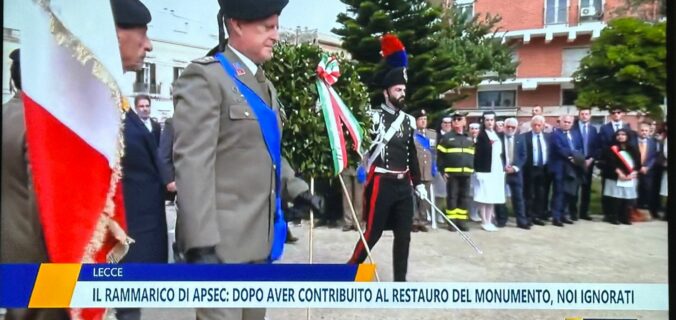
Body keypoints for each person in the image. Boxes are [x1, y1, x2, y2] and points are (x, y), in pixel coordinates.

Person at [171, 0, 316, 318]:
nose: (275, 35)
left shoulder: (266, 86)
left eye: (276, 26)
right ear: (236, 24)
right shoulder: (206, 78)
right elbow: (192, 164)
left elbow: (268, 148)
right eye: (267, 27)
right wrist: (199, 243)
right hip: (220, 247)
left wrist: (296, 188)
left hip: (259, 243)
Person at [348, 34, 425, 281]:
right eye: (398, 89)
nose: (403, 93)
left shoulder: (408, 121)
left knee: (405, 235)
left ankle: (400, 283)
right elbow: (359, 144)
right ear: (386, 92)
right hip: (382, 183)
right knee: (373, 233)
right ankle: (350, 269)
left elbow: (411, 154)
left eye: (404, 89)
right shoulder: (373, 118)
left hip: (404, 185)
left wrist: (419, 183)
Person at [117, 95, 168, 320]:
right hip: (125, 226)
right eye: (143, 106)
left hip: (139, 225)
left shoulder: (150, 125)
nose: (146, 55)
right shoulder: (105, 106)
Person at [436, 112, 473, 231]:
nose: (456, 121)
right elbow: (440, 156)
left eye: (459, 119)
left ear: (464, 122)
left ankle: (462, 222)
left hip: (466, 173)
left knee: (464, 197)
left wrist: (472, 168)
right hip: (452, 174)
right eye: (454, 119)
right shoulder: (446, 138)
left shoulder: (469, 138)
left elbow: (473, 155)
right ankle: (451, 222)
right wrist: (442, 171)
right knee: (452, 197)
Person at [548, 115, 584, 227]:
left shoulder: (576, 134)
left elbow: (580, 147)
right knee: (559, 192)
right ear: (560, 122)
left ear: (572, 124)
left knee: (569, 192)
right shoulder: (555, 135)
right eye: (565, 122)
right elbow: (560, 149)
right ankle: (556, 217)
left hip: (573, 167)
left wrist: (577, 158)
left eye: (569, 122)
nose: (567, 124)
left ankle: (564, 215)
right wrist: (572, 156)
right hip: (560, 167)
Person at [472, 111, 505, 231]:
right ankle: (484, 221)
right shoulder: (481, 136)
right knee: (484, 196)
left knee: (493, 196)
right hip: (485, 170)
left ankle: (490, 219)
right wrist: (478, 171)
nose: (490, 122)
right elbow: (478, 155)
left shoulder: (496, 135)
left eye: (492, 120)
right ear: (483, 121)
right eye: (487, 120)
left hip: (496, 168)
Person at [495, 117, 529, 229]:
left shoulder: (520, 138)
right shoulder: (498, 138)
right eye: (508, 126)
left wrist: (514, 167)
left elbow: (523, 155)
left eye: (512, 127)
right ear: (504, 127)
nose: (510, 129)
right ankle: (501, 220)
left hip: (516, 173)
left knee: (518, 197)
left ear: (516, 128)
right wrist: (503, 166)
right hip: (501, 172)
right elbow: (496, 155)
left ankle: (521, 221)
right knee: (500, 198)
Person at [602, 129, 641, 225]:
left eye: (623, 134)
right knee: (615, 198)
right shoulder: (611, 148)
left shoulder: (633, 148)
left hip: (630, 177)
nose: (621, 136)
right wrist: (619, 173)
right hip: (615, 177)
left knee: (626, 199)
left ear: (627, 136)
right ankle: (613, 217)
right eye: (618, 134)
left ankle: (624, 217)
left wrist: (634, 172)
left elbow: (637, 162)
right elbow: (610, 163)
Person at [522, 115, 552, 226]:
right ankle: (528, 216)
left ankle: (537, 216)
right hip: (530, 169)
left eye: (539, 125)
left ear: (543, 126)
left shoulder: (548, 137)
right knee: (529, 194)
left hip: (544, 169)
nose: (537, 127)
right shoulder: (525, 137)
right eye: (535, 125)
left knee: (541, 194)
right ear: (531, 125)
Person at [571, 108, 598, 220]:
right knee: (575, 188)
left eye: (586, 114)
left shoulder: (593, 129)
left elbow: (596, 146)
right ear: (579, 115)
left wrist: (591, 159)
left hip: (589, 162)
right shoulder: (573, 129)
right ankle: (573, 212)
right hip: (577, 162)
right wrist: (580, 160)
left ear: (590, 116)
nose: (584, 116)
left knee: (586, 188)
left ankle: (584, 212)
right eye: (582, 114)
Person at [411, 109, 437, 232]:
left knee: (424, 198)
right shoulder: (412, 134)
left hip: (427, 171)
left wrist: (434, 167)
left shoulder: (432, 134)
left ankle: (423, 220)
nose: (423, 121)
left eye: (425, 119)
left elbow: (434, 153)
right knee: (413, 198)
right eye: (421, 119)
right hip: (416, 171)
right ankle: (414, 221)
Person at [636, 122, 659, 218]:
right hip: (635, 170)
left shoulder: (653, 142)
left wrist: (647, 167)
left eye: (646, 131)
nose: (644, 132)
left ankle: (645, 210)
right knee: (635, 190)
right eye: (642, 130)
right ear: (638, 131)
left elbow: (654, 157)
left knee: (647, 190)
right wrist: (638, 167)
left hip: (647, 171)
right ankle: (633, 210)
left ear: (649, 131)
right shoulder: (633, 142)